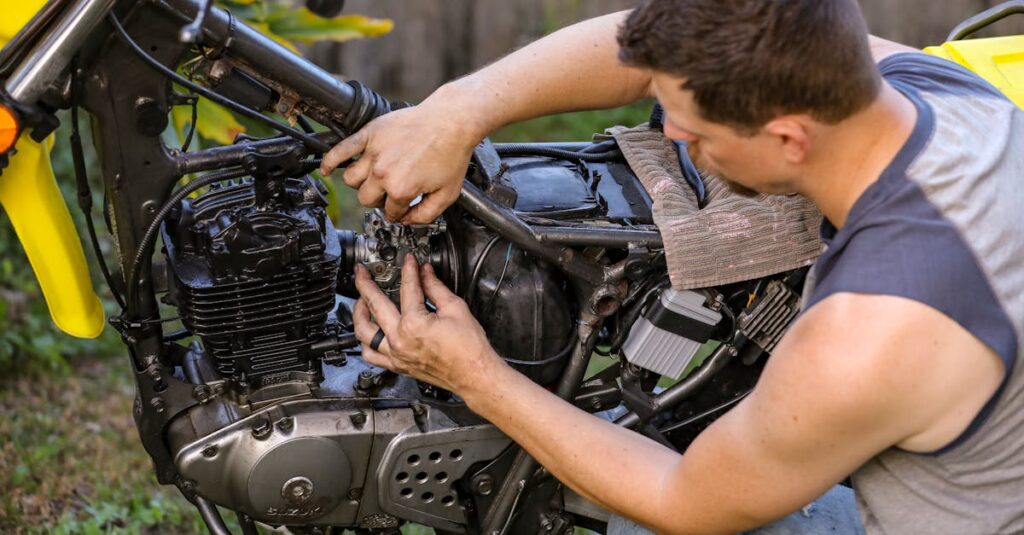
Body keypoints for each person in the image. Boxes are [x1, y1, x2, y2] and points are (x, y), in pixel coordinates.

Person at [319, 1, 1024, 533]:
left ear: (787, 138)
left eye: (696, 134)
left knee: (609, 508)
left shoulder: (869, 331)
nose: (672, 137)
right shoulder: (941, 96)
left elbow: (684, 499)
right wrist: (458, 111)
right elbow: (648, 41)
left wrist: (474, 376)